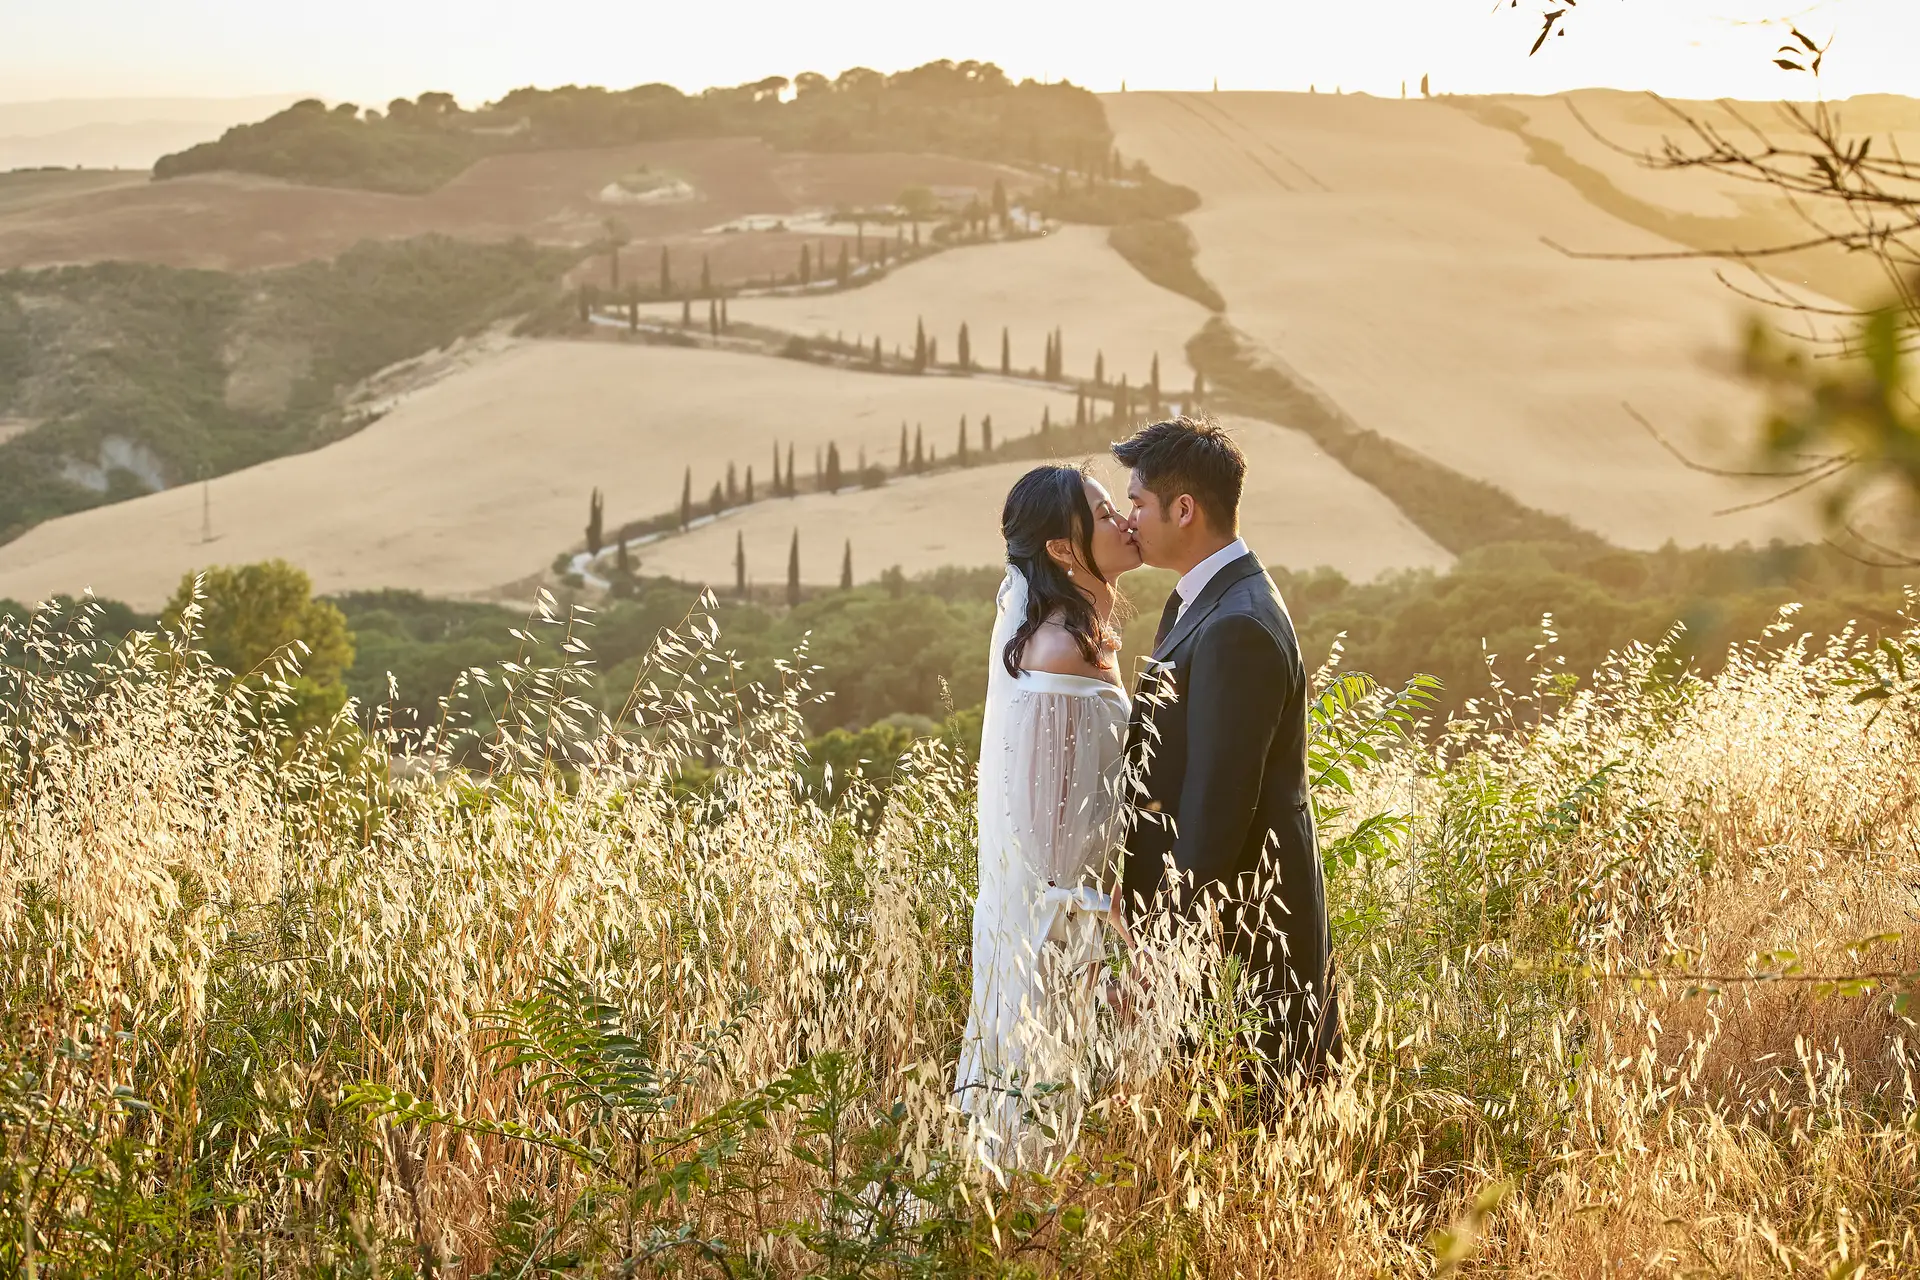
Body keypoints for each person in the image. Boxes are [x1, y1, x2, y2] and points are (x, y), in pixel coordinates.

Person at [1112, 416, 1340, 1083]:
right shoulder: (1206, 599)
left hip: (1242, 930)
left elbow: (1218, 806)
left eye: (1137, 504)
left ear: (1184, 509)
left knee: (1247, 1124)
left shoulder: (1237, 622)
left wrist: (1161, 948)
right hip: (1215, 926)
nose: (1129, 520)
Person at [954, 463, 1143, 1167]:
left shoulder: (1077, 635)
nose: (1124, 520)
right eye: (1103, 514)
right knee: (1041, 1133)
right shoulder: (1061, 653)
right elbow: (1049, 837)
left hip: (1074, 927)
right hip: (1061, 942)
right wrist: (1107, 945)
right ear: (1064, 552)